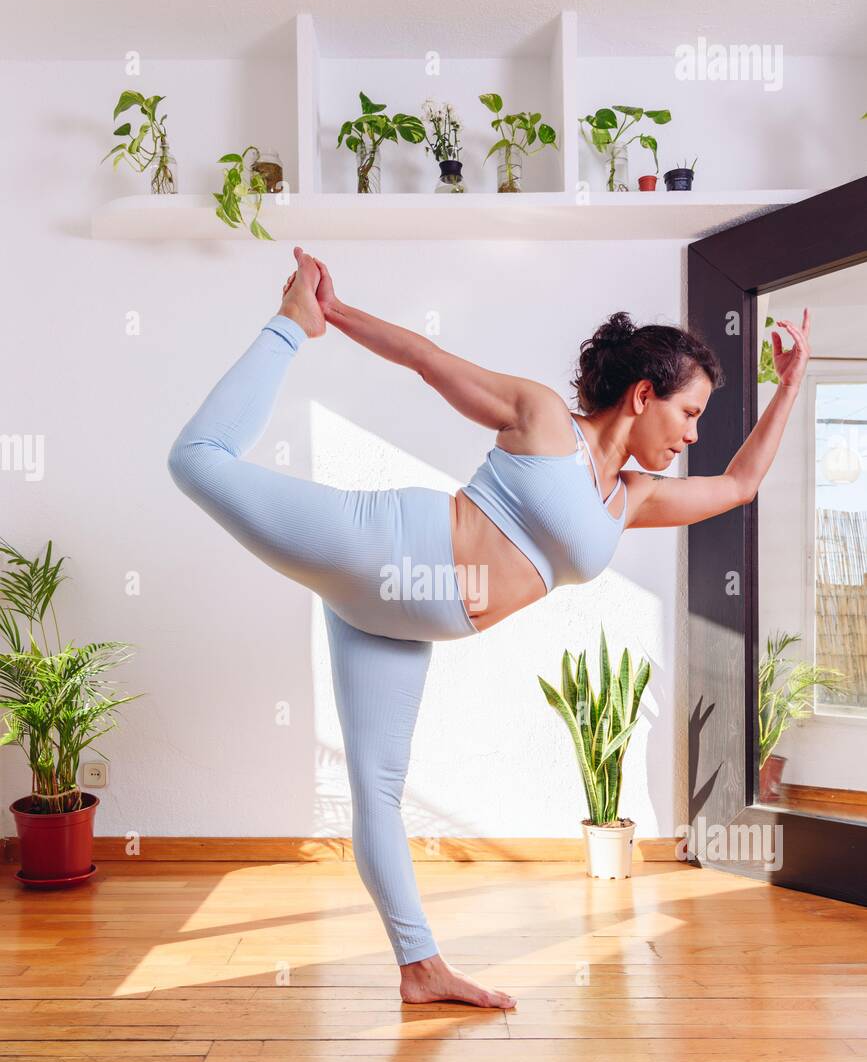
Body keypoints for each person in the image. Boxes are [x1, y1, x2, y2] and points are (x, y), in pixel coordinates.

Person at [168, 246, 811, 1008]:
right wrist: (325, 314)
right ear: (643, 394)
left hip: (396, 621)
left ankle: (420, 970)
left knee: (377, 790)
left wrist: (790, 383)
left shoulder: (630, 499)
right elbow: (426, 359)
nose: (692, 436)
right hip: (389, 547)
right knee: (198, 461)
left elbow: (738, 484)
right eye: (689, 413)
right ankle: (286, 326)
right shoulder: (543, 421)